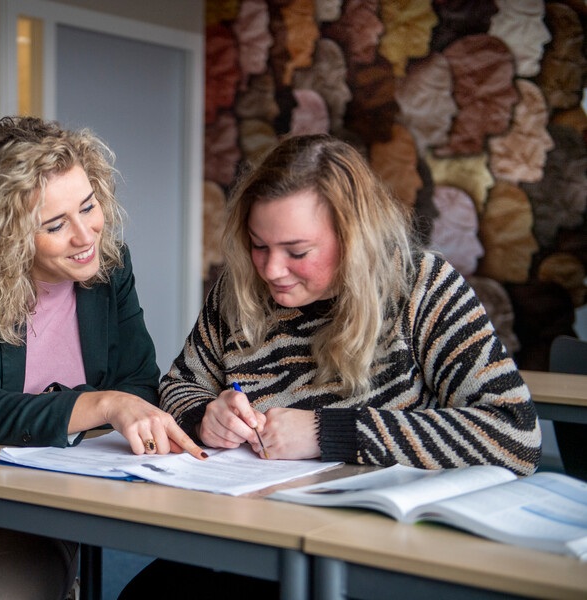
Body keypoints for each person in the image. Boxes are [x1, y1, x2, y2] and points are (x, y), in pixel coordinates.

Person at [119, 133, 541, 599]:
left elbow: (514, 434)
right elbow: (179, 386)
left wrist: (327, 432)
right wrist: (206, 416)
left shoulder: (423, 287)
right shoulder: (238, 291)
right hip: (250, 536)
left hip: (378, 551)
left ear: (353, 237)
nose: (271, 270)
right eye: (259, 245)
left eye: (297, 252)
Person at [0, 116, 205, 600]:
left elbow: (140, 386)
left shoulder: (111, 267)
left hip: (39, 508)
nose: (85, 236)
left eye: (89, 206)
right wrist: (102, 404)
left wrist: (109, 403)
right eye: (56, 225)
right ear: (9, 234)